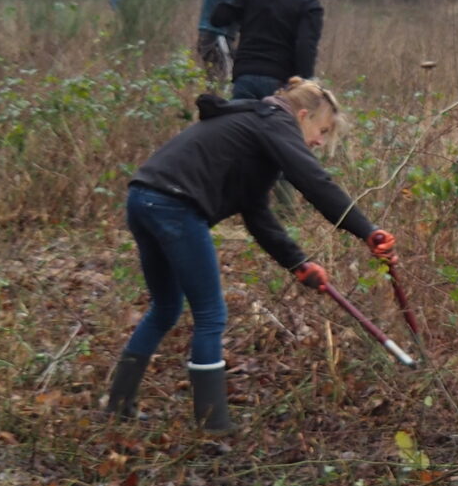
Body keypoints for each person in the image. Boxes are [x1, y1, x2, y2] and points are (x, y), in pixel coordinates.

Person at [101, 77, 394, 436]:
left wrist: (298, 264)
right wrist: (366, 230)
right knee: (211, 314)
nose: (318, 142)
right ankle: (213, 426)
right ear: (302, 115)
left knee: (165, 308)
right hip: (175, 206)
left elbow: (256, 212)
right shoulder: (275, 122)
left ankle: (118, 407)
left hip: (143, 198)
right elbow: (315, 181)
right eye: (322, 130)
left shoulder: (254, 128)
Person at [213, 0, 326, 100]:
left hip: (244, 75)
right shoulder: (309, 4)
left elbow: (218, 18)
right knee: (274, 123)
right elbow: (305, 46)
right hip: (279, 81)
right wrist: (306, 83)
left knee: (241, 122)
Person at [196, 0, 252, 85]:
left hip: (206, 35)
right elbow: (236, 12)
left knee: (213, 78)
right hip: (217, 37)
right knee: (224, 79)